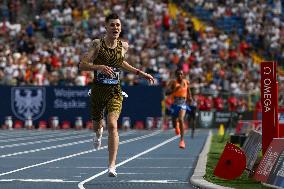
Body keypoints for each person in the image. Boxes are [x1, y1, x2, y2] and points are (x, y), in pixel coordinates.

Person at [79, 13, 154, 177]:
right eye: (112, 25)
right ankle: (98, 134)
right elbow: (82, 65)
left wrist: (141, 73)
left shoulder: (124, 46)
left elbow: (121, 63)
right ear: (106, 27)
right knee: (97, 126)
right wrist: (98, 67)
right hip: (98, 91)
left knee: (112, 124)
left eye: (118, 25)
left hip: (115, 91)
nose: (115, 28)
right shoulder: (97, 44)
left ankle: (112, 165)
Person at [165, 69, 192, 149]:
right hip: (174, 104)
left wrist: (190, 98)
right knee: (174, 122)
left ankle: (182, 141)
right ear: (176, 75)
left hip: (183, 103)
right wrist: (174, 90)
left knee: (180, 119)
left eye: (181, 74)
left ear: (183, 75)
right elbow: (166, 93)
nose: (180, 75)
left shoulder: (186, 82)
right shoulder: (173, 82)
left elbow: (188, 91)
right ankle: (176, 126)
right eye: (178, 74)